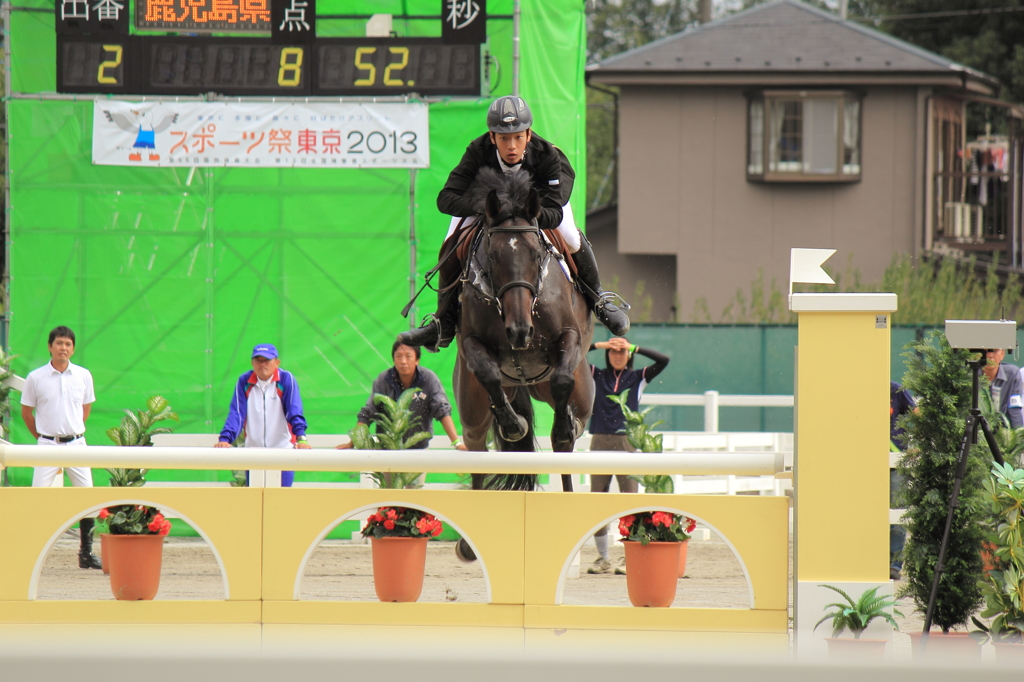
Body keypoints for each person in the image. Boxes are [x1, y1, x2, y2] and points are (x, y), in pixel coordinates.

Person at [398, 95, 630, 353]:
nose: (511, 145)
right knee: (452, 241)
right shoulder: (477, 151)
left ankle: (599, 300)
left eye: (518, 137)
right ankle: (444, 321)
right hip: (490, 206)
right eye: (504, 138)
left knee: (571, 238)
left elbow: (554, 211)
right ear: (492, 137)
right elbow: (446, 199)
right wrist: (481, 207)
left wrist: (530, 214)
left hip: (540, 203)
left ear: (528, 135)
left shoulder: (547, 155)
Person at [586, 336, 670, 575]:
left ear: (630, 355)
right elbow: (575, 356)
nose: (618, 355)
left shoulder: (637, 378)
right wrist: (600, 344)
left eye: (622, 352)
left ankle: (628, 557)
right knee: (597, 500)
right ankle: (603, 558)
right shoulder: (597, 375)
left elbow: (663, 360)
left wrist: (634, 347)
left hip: (627, 442)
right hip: (600, 440)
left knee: (629, 500)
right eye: (613, 352)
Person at [21, 325, 101, 569]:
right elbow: (26, 413)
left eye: (67, 344)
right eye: (59, 343)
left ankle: (86, 554)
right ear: (50, 346)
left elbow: (85, 410)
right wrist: (45, 437)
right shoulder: (35, 377)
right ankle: (32, 553)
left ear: (73, 349)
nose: (63, 348)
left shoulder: (84, 375)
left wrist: (70, 432)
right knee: (38, 498)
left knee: (88, 497)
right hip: (47, 444)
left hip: (77, 443)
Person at [338, 342, 468, 453]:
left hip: (418, 451)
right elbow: (367, 413)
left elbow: (441, 410)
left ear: (417, 360)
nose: (403, 361)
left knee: (415, 484)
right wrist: (352, 443)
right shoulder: (384, 380)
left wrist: (457, 443)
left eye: (408, 356)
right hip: (388, 451)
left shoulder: (428, 379)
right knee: (390, 484)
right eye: (398, 356)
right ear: (394, 359)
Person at [214, 344, 310, 487]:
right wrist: (225, 439)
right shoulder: (244, 381)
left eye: (267, 360)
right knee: (255, 500)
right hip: (253, 453)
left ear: (277, 362)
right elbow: (237, 413)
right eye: (258, 360)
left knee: (281, 499)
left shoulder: (286, 379)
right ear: (252, 363)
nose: (262, 364)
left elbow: (294, 410)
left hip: (283, 450)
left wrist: (301, 438)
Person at [889, 380, 917, 580]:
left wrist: (919, 443)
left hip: (896, 459)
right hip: (865, 460)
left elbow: (918, 415)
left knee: (898, 511)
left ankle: (894, 564)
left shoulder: (895, 389)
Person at [983, 348, 1023, 428]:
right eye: (985, 351)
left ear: (1002, 353)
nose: (990, 355)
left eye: (994, 350)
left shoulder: (1012, 374)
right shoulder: (968, 374)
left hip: (1003, 433)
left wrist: (1019, 437)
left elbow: (1014, 409)